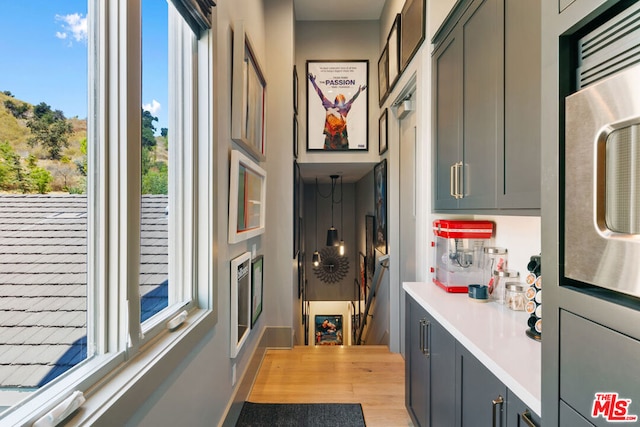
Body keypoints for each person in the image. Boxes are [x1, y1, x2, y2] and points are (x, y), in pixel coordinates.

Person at [308, 73, 366, 150]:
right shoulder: (341, 107)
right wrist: (359, 92)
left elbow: (320, 94)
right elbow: (352, 99)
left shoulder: (336, 106)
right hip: (333, 139)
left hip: (338, 138)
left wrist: (313, 82)